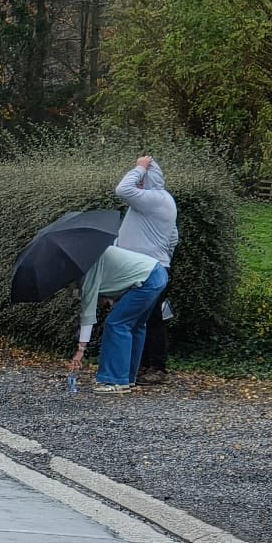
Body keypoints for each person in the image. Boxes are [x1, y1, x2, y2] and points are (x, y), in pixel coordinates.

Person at [114, 155, 180, 385]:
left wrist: (139, 168)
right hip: (149, 266)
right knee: (142, 318)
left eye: (142, 179)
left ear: (149, 179)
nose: (138, 183)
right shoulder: (160, 200)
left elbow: (122, 189)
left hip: (146, 268)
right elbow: (173, 237)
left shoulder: (154, 199)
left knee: (149, 319)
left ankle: (156, 367)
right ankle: (143, 365)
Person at [69, 240, 167, 395]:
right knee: (135, 326)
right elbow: (117, 281)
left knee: (116, 324)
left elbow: (88, 314)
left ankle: (114, 380)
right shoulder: (94, 251)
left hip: (146, 280)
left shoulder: (89, 269)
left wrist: (81, 349)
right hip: (156, 272)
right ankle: (128, 378)